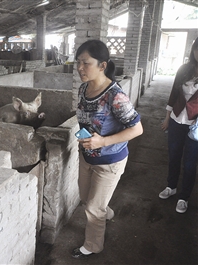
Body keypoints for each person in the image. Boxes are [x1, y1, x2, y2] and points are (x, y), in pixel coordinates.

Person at [72, 39, 143, 259]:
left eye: (86, 63)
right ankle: (105, 211)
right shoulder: (84, 89)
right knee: (86, 199)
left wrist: (102, 142)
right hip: (87, 157)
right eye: (78, 62)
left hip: (110, 161)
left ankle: (93, 246)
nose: (80, 68)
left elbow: (137, 129)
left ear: (102, 65)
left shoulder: (115, 96)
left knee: (93, 208)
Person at [159, 37, 198, 214]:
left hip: (194, 126)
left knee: (190, 163)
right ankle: (171, 186)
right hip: (176, 119)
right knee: (174, 156)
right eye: (197, 49)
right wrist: (167, 117)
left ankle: (184, 197)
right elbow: (174, 93)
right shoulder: (184, 69)